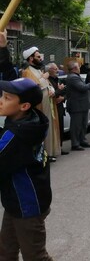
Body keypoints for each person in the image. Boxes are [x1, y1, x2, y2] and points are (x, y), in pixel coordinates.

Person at [0, 77, 53, 260]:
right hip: (19, 201)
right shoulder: (34, 120)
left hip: (27, 205)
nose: (0, 100)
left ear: (24, 106)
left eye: (7, 98)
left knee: (35, 256)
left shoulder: (15, 137)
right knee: (6, 252)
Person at [22, 47, 61, 161]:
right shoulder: (26, 72)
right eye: (38, 57)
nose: (41, 59)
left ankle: (49, 152)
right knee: (41, 129)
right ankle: (42, 154)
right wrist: (43, 79)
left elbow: (46, 85)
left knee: (49, 127)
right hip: (39, 106)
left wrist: (52, 90)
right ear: (30, 58)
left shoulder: (39, 70)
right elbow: (31, 88)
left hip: (48, 103)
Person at [65, 61, 90, 150]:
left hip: (83, 104)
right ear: (74, 68)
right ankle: (75, 144)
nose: (80, 68)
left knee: (83, 125)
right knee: (76, 126)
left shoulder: (76, 76)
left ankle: (82, 141)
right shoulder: (72, 77)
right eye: (78, 66)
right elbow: (83, 87)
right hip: (77, 105)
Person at [46, 62, 68, 156]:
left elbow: (65, 91)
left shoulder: (57, 79)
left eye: (57, 69)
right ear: (49, 70)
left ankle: (60, 147)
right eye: (55, 69)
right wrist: (59, 91)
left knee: (60, 128)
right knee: (54, 129)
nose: (57, 70)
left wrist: (63, 97)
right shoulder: (47, 81)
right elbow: (51, 94)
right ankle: (53, 149)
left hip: (60, 106)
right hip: (52, 107)